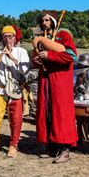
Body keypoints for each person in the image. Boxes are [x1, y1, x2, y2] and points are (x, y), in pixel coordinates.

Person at [32, 11, 78, 163]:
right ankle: (51, 148)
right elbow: (35, 58)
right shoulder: (40, 39)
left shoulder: (63, 36)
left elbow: (72, 56)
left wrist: (50, 55)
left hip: (60, 82)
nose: (44, 23)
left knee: (61, 114)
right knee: (47, 113)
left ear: (52, 21)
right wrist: (37, 60)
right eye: (42, 20)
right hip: (45, 81)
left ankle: (64, 150)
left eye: (47, 20)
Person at [0, 25, 30, 157]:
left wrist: (12, 58)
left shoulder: (21, 52)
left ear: (15, 38)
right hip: (0, 90)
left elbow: (25, 71)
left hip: (15, 89)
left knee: (16, 120)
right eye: (5, 37)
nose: (7, 39)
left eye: (10, 37)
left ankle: (13, 146)